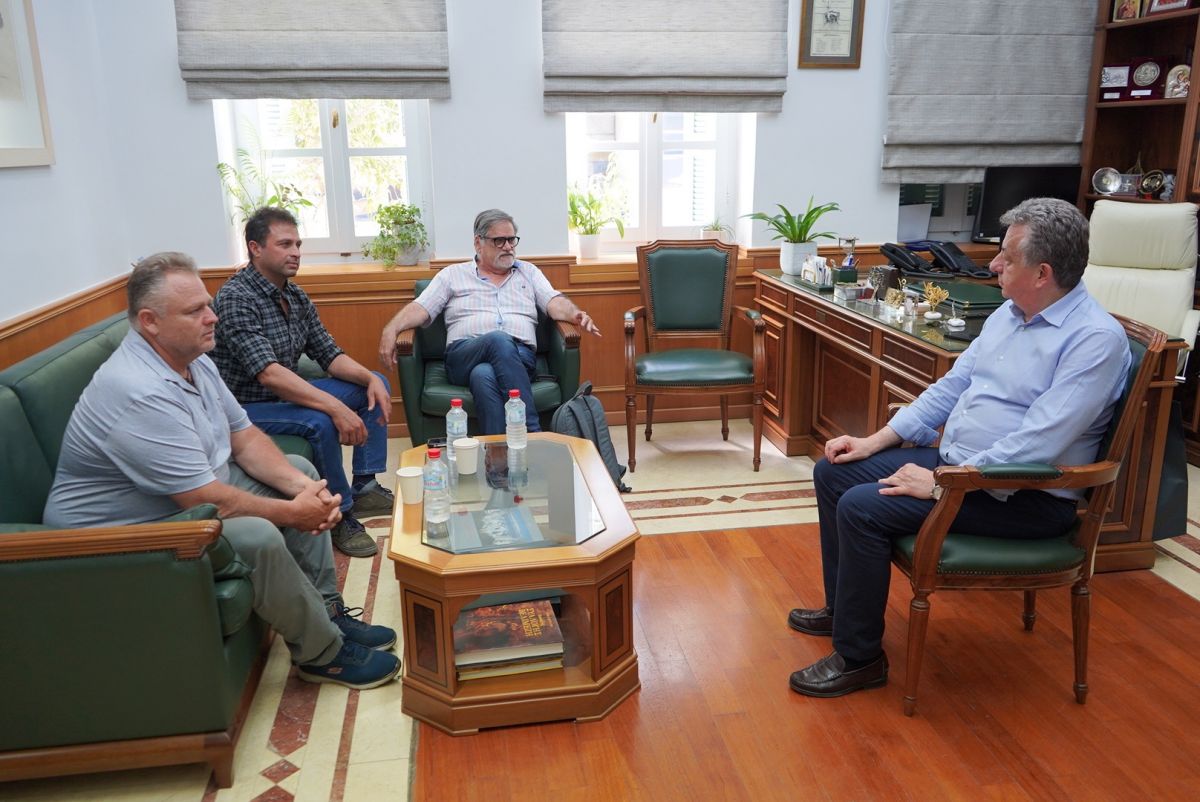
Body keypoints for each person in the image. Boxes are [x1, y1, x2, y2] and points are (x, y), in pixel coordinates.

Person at [787, 198, 1131, 699]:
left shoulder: (1095, 340)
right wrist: (875, 441)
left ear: (1042, 273)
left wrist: (939, 484)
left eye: (1007, 257)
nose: (993, 265)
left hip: (1026, 496)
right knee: (835, 470)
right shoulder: (1010, 313)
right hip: (963, 470)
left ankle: (860, 659)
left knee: (863, 507)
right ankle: (845, 613)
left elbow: (1040, 443)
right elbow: (950, 387)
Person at [43, 253, 400, 690]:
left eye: (208, 305)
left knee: (299, 470)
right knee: (258, 535)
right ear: (150, 322)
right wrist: (295, 513)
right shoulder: (138, 389)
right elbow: (203, 501)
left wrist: (305, 491)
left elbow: (244, 437)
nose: (212, 318)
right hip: (117, 536)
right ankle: (322, 654)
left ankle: (327, 613)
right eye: (195, 311)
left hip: (182, 496)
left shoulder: (193, 358)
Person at [212, 207, 393, 559]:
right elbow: (269, 374)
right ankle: (339, 513)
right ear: (255, 248)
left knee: (376, 384)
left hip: (285, 395)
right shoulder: (236, 298)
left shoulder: (295, 296)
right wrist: (335, 407)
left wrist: (369, 377)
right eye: (284, 244)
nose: (295, 252)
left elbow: (329, 354)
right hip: (247, 406)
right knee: (319, 420)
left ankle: (365, 484)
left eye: (297, 244)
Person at [378, 208, 601, 435]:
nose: (508, 247)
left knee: (483, 375)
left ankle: (497, 453)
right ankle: (531, 431)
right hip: (463, 355)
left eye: (511, 240)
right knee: (498, 340)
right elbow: (421, 307)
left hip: (519, 356)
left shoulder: (529, 272)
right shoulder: (452, 275)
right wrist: (391, 328)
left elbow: (553, 301)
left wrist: (575, 314)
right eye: (499, 241)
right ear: (478, 243)